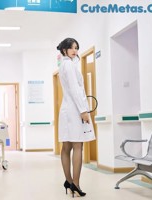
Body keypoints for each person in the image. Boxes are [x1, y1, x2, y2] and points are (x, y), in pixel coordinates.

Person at [57, 38, 96, 197]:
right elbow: (75, 89)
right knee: (78, 146)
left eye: (77, 48)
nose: (75, 51)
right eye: (72, 48)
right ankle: (76, 184)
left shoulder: (63, 65)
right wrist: (83, 110)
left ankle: (69, 181)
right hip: (74, 110)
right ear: (65, 50)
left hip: (66, 109)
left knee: (67, 147)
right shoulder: (69, 65)